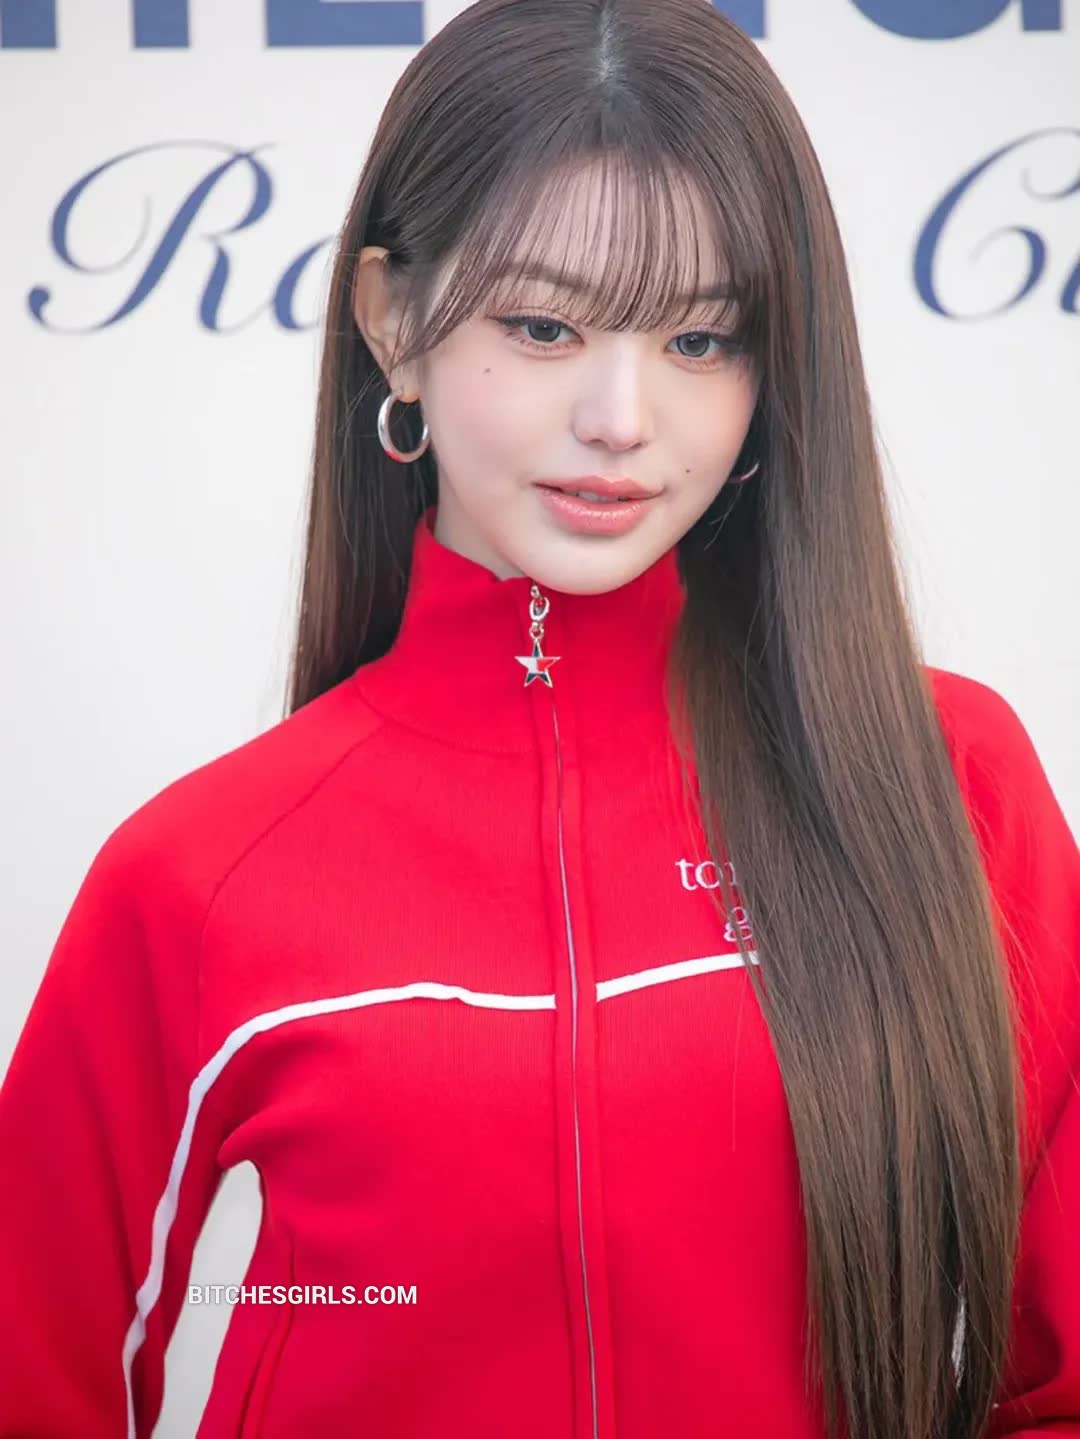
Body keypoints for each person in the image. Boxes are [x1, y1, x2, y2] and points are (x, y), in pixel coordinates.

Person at [2, 0, 1078, 1435]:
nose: (622, 417)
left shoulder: (943, 785)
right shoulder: (199, 876)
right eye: (545, 324)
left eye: (702, 338)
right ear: (392, 321)